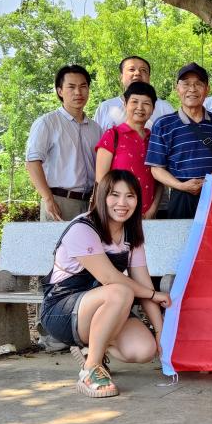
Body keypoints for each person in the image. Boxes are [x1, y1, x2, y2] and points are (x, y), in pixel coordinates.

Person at [38, 169, 170, 398]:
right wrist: (152, 295)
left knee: (144, 350)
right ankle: (91, 369)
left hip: (105, 307)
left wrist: (160, 333)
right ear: (102, 197)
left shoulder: (131, 234)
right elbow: (110, 278)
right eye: (114, 195)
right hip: (62, 310)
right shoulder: (83, 228)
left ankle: (90, 350)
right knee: (120, 291)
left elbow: (144, 283)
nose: (122, 203)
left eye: (130, 196)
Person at [147, 63, 212, 218]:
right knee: (181, 234)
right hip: (181, 197)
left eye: (198, 84)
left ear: (207, 89)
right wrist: (181, 186)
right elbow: (156, 169)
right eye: (186, 84)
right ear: (177, 89)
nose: (192, 89)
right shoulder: (163, 124)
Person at [26, 64, 102, 222]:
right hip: (59, 202)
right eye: (71, 87)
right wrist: (48, 198)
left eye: (83, 86)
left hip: (90, 204)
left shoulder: (96, 128)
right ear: (60, 91)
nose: (78, 92)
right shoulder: (47, 123)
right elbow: (32, 162)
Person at [95, 81, 161, 220]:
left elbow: (160, 180)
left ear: (153, 108)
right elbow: (101, 180)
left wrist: (153, 209)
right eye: (134, 102)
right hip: (117, 214)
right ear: (125, 104)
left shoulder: (155, 139)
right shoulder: (112, 135)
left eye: (146, 103)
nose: (140, 108)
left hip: (147, 216)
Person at [94, 56, 175, 131]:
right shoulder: (105, 108)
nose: (137, 73)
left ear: (149, 78)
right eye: (131, 69)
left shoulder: (164, 108)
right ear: (121, 77)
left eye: (143, 70)